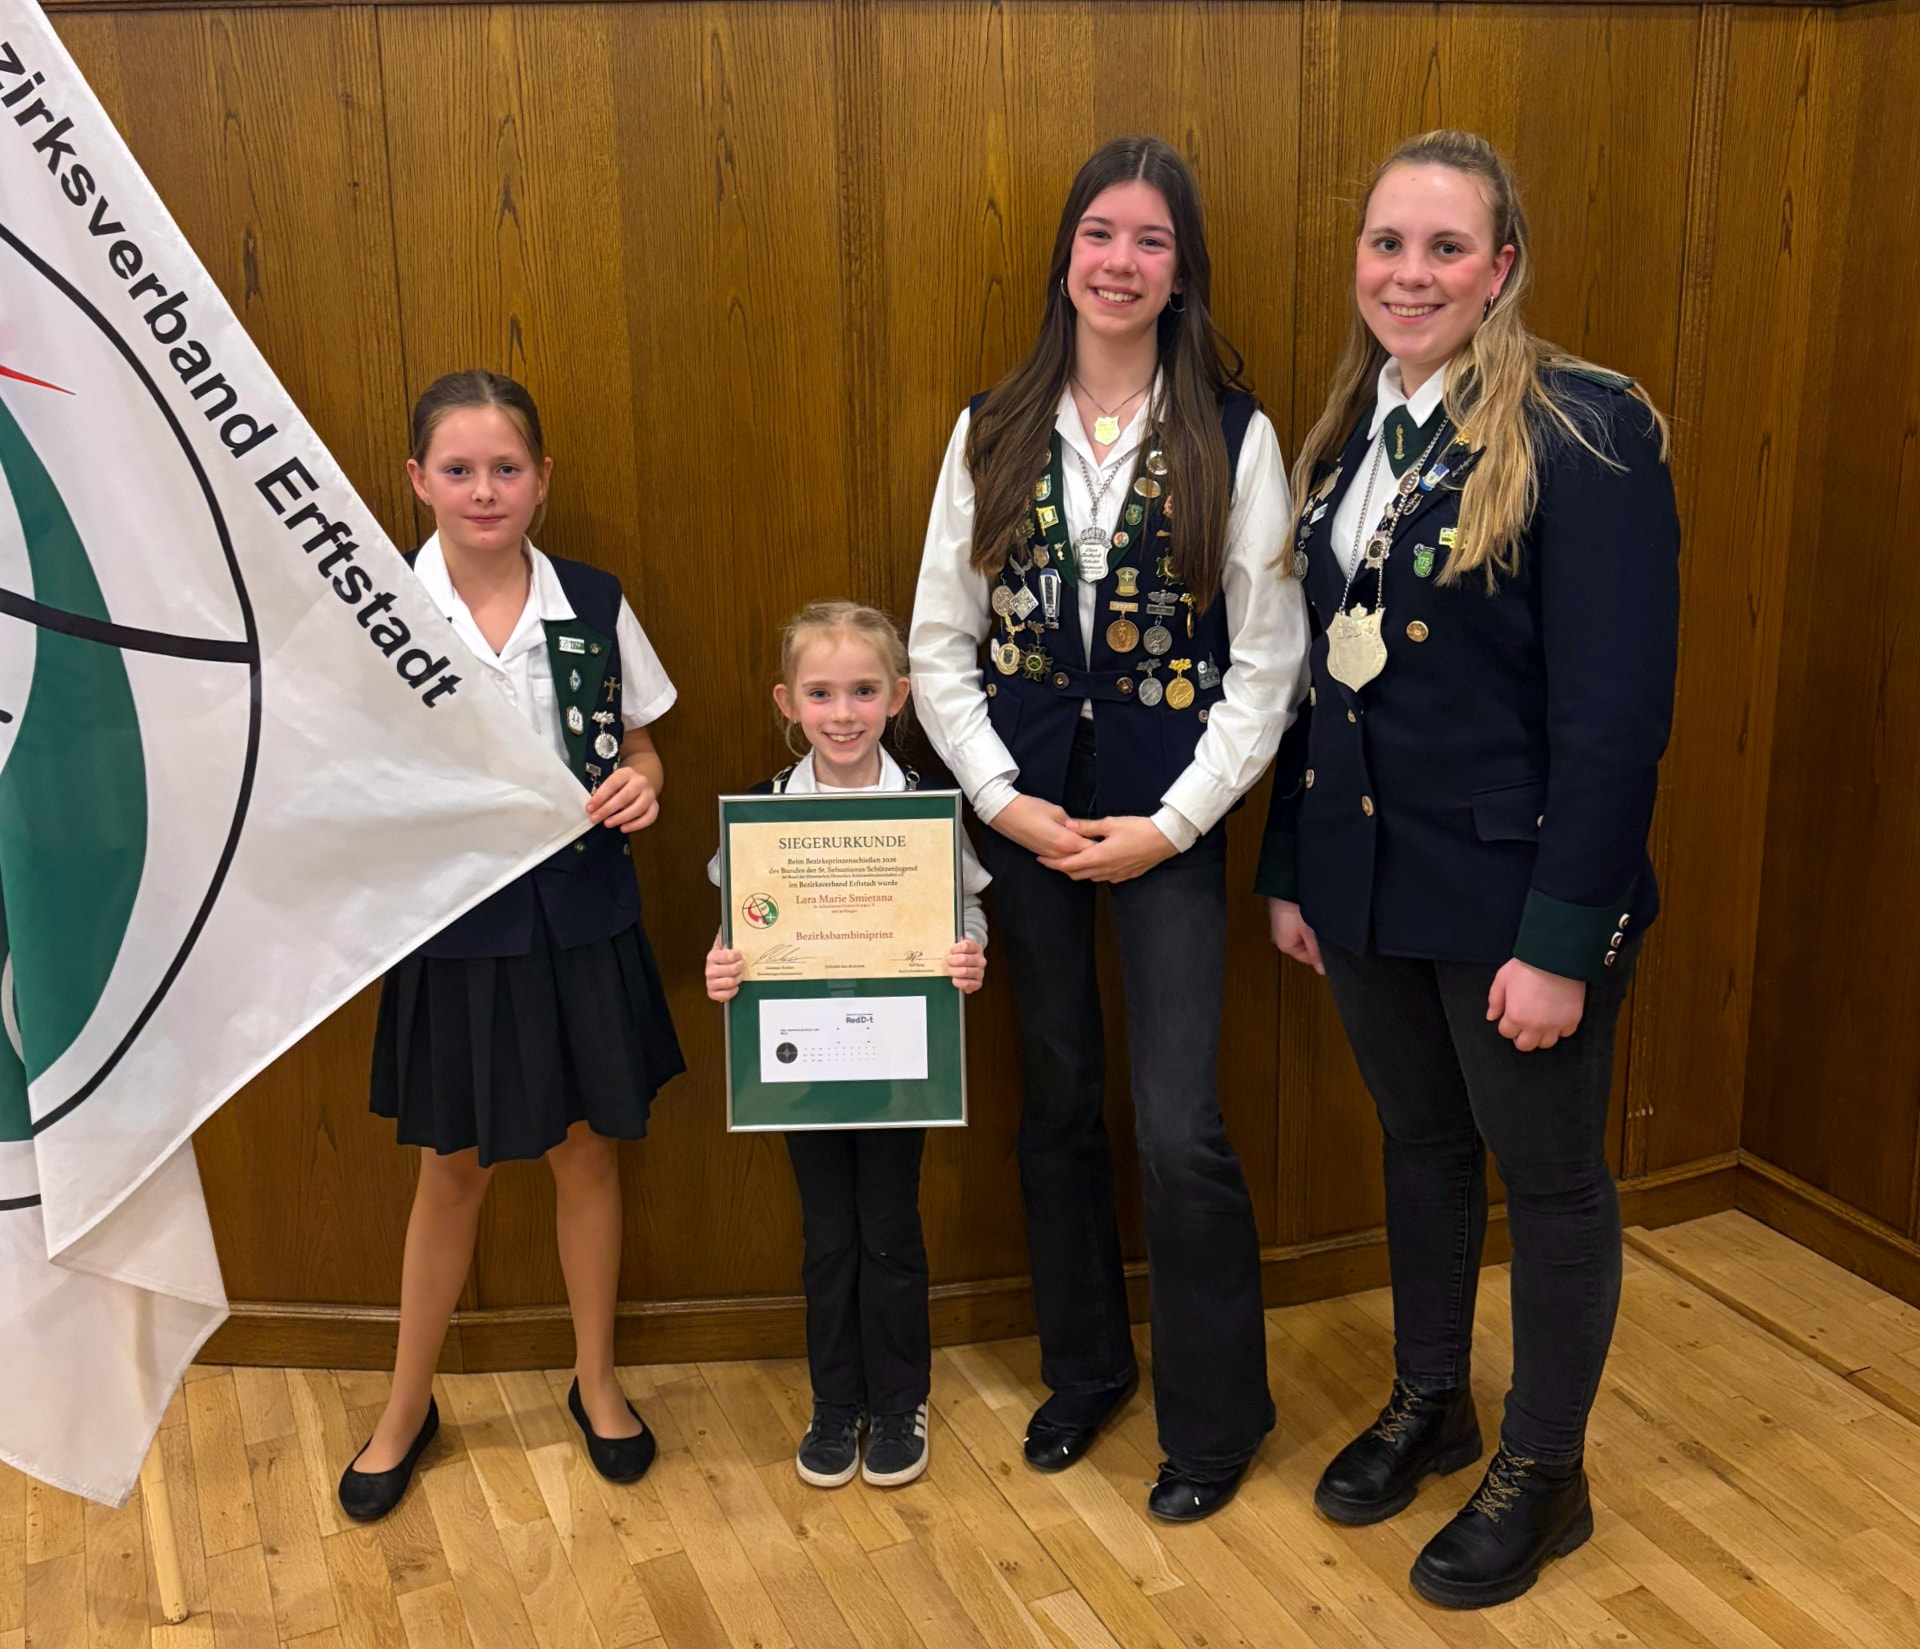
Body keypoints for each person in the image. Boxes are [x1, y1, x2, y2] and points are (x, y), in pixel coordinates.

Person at [1258, 129, 1680, 1607]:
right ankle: (1433, 1398)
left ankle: (1544, 1469)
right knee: (1421, 1147)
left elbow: (1616, 715)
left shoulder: (1584, 430)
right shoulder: (1351, 434)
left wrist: (1564, 938)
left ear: (1502, 268)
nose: (1411, 272)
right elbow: (1323, 679)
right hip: (1373, 885)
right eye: (1388, 243)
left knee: (1551, 1182)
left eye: (1446, 247)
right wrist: (1295, 867)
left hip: (1517, 898)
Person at [910, 136, 1309, 1521]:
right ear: (1065, 255)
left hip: (1170, 827)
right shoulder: (992, 427)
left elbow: (1268, 664)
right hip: (1024, 816)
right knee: (1058, 1107)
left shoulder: (1234, 437)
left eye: (1149, 240)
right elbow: (936, 647)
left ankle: (1217, 1414)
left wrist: (1176, 822)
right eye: (1099, 234)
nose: (1120, 262)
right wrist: (1003, 802)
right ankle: (1086, 1370)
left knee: (1180, 1122)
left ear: (1181, 268)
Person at [338, 370, 683, 1521]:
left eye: (507, 468)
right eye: (458, 468)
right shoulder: (378, 607)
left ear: (542, 480)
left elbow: (641, 746)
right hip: (456, 928)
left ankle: (595, 1380)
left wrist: (640, 785)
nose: (484, 489)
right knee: (452, 1165)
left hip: (582, 917)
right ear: (415, 481)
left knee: (589, 1151)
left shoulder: (591, 597)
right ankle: (405, 1403)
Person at [706, 602, 988, 1489]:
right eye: (821, 693)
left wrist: (968, 950)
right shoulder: (757, 815)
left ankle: (900, 1397)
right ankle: (836, 1403)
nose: (842, 713)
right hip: (800, 1065)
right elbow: (735, 927)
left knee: (892, 1231)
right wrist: (722, 968)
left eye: (863, 691)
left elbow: (967, 905)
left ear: (898, 696)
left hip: (900, 1060)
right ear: (787, 701)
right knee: (828, 1234)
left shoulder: (928, 811)